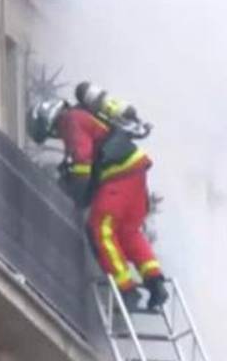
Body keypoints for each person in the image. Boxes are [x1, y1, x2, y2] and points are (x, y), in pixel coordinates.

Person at [28, 86, 169, 312]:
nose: (56, 134)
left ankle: (126, 290)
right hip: (134, 173)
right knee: (128, 232)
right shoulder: (85, 117)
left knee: (99, 228)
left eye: (52, 130)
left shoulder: (70, 119)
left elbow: (83, 159)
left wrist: (75, 190)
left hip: (118, 176)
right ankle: (155, 283)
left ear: (49, 118)